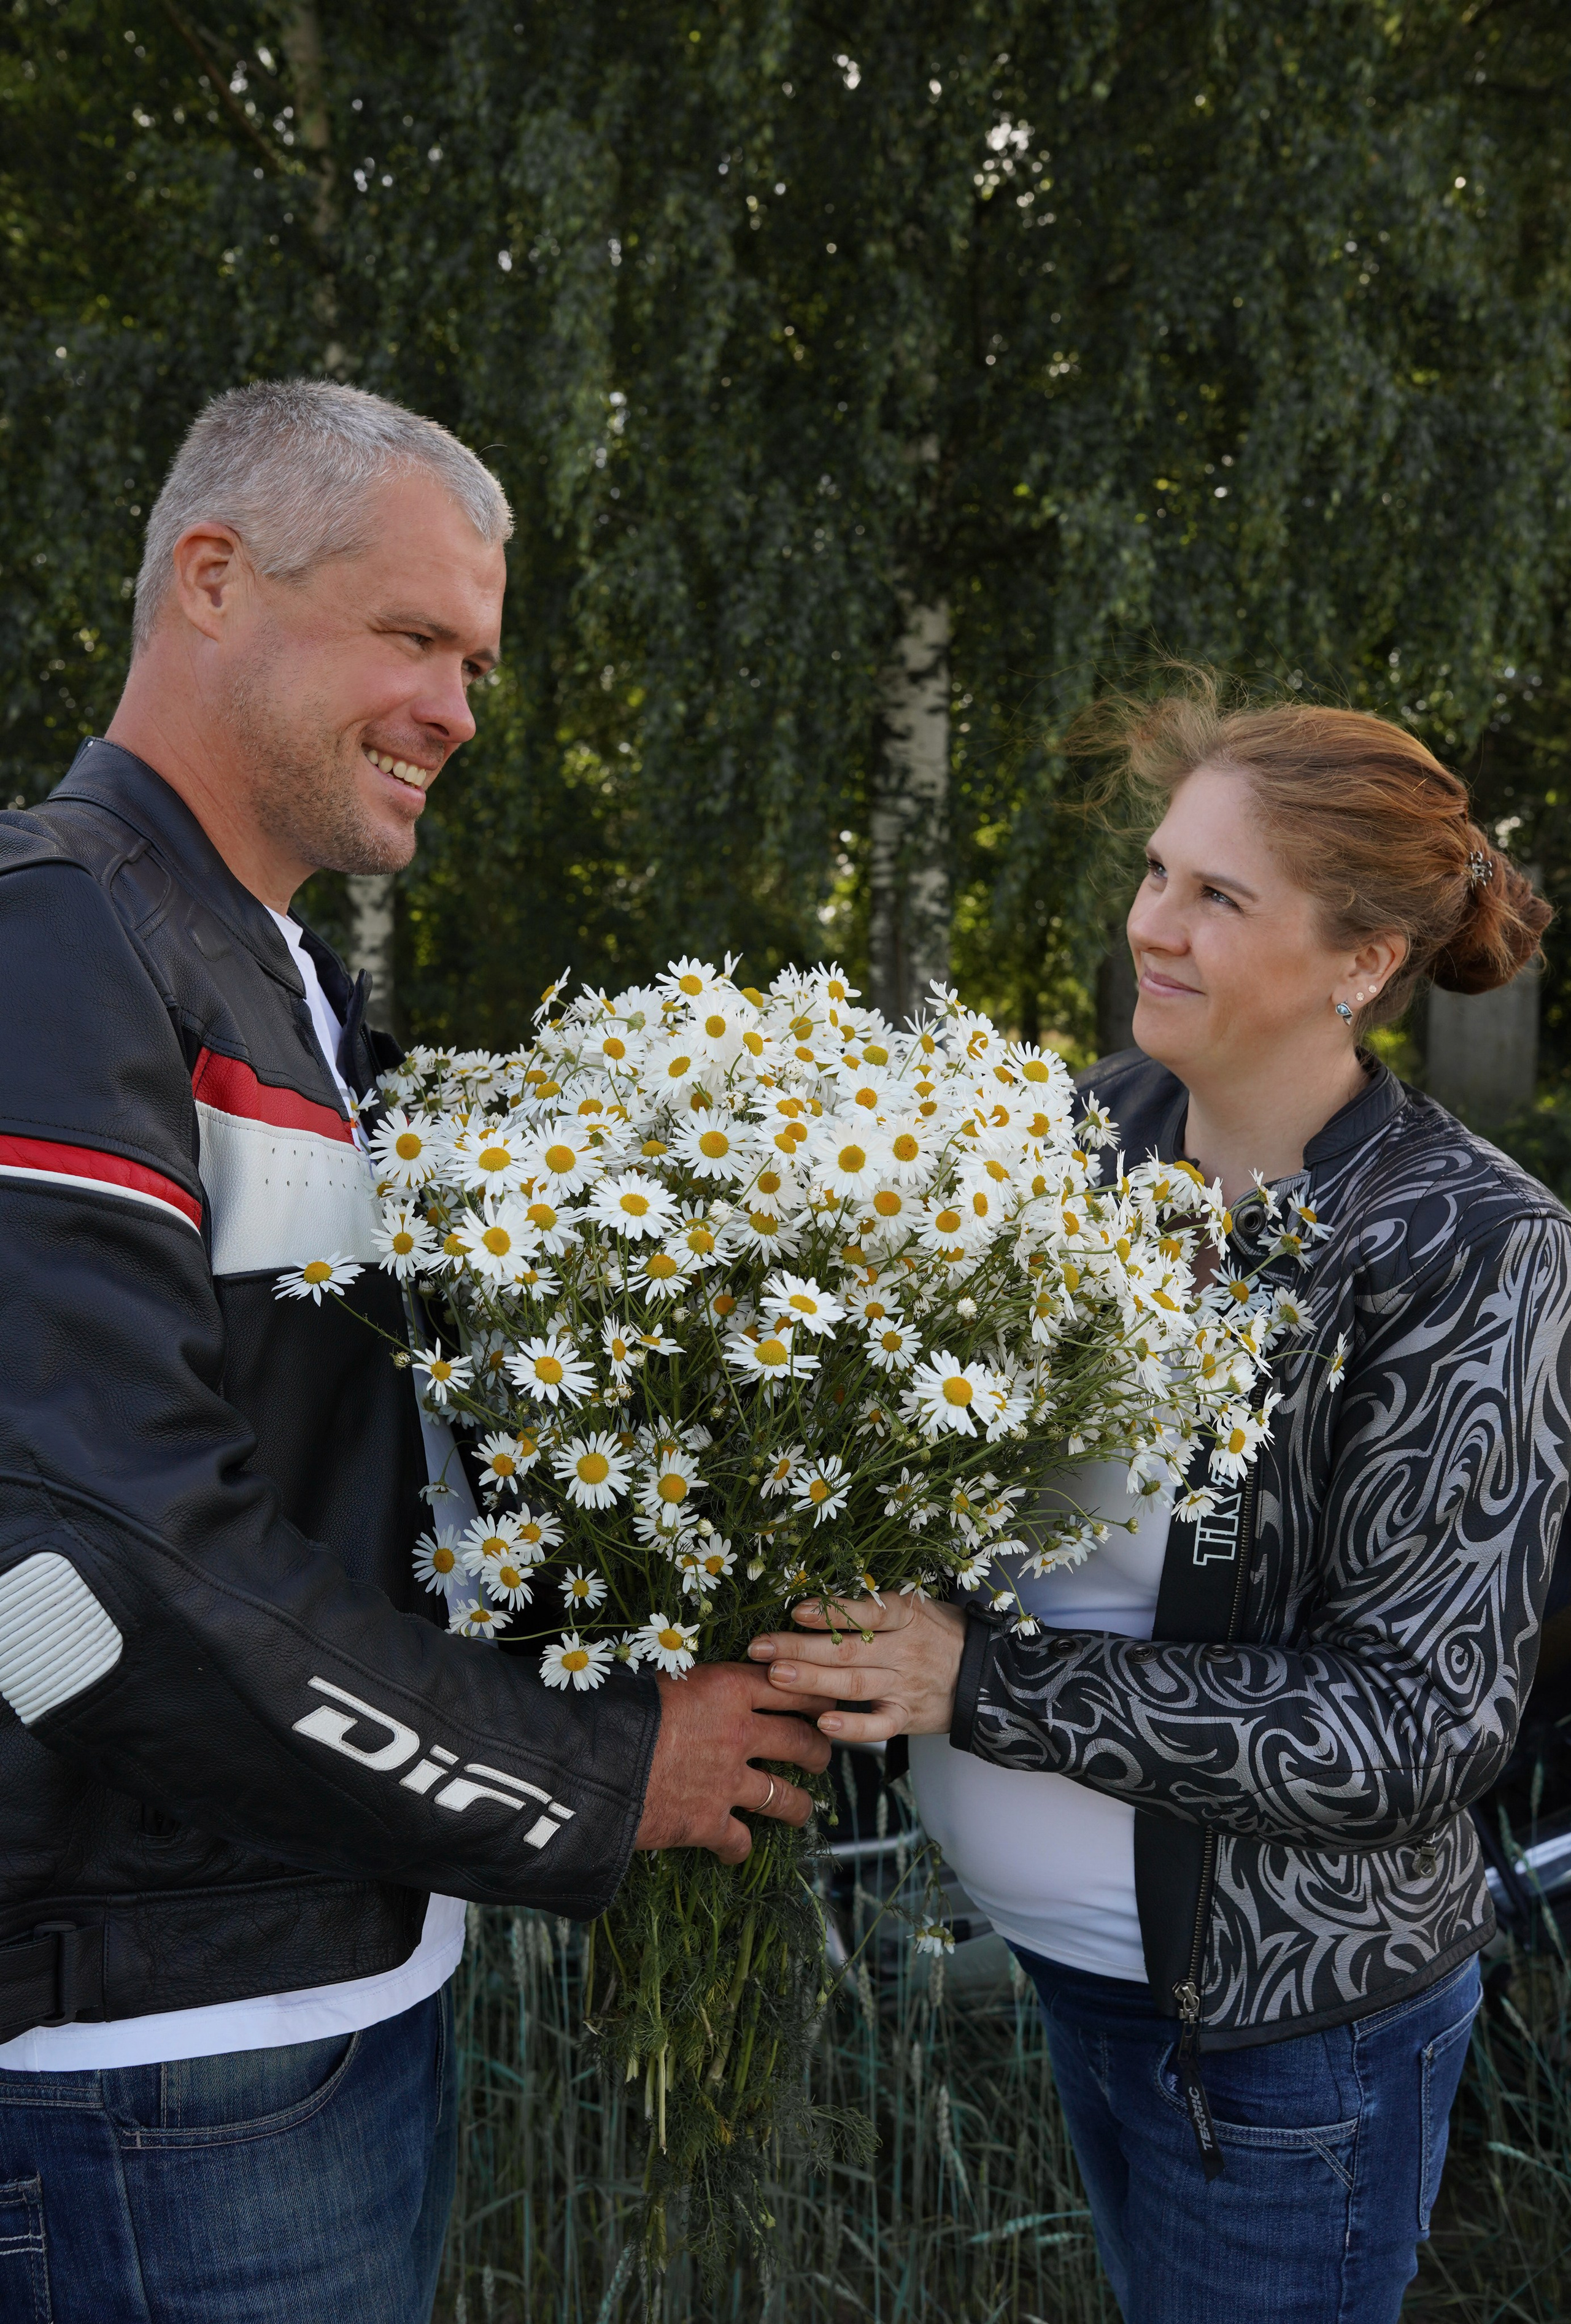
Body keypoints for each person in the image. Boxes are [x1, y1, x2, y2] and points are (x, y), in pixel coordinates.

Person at [0, 380, 830, 2324]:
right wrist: (605, 1776)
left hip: (321, 1998)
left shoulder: (271, 964)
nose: (460, 706)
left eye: (474, 657)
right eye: (412, 634)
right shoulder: (57, 942)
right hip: (159, 2072)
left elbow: (342, 1457)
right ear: (211, 578)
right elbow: (78, 1564)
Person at [751, 683, 1571, 2324]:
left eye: (1219, 894)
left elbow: (1412, 1730)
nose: (1156, 926)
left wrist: (976, 1684)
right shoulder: (1089, 1134)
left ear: (1361, 963)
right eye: (1155, 872)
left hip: (1284, 2044)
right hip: (1092, 1994)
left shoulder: (1467, 1245)